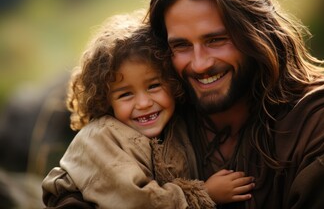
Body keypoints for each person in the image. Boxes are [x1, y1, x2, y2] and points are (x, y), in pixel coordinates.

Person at [147, 0, 324, 208]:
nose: (199, 64)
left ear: (256, 34)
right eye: (181, 45)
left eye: (216, 40)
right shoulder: (152, 132)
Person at [41, 12, 255, 208]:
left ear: (173, 83)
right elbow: (136, 201)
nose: (143, 103)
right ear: (106, 101)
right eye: (125, 94)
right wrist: (206, 193)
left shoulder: (177, 127)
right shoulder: (101, 138)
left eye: (153, 86)